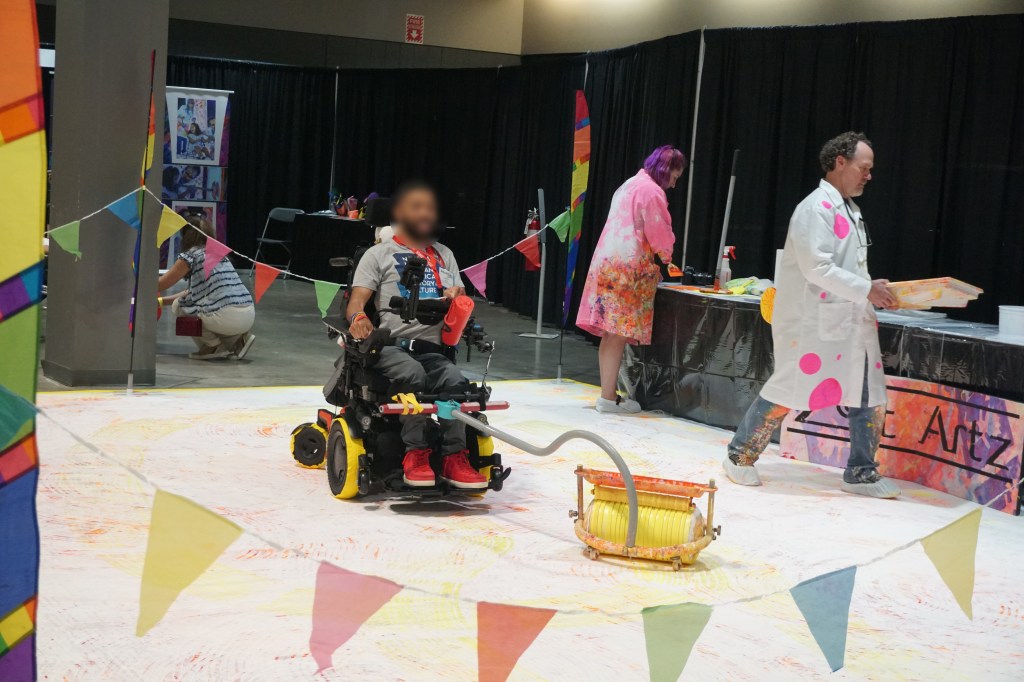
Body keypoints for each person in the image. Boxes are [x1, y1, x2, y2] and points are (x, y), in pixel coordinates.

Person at [723, 131, 901, 498]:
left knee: (869, 392)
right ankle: (739, 455)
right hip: (814, 322)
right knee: (790, 389)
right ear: (840, 162)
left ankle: (861, 471)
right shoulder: (815, 208)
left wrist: (869, 285)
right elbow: (817, 268)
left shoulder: (850, 210)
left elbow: (846, 265)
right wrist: (865, 288)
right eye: (863, 168)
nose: (868, 175)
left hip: (849, 319)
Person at [345, 180, 487, 490]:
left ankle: (453, 457)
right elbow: (357, 301)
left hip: (432, 348)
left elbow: (461, 301)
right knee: (412, 373)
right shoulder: (378, 255)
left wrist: (455, 295)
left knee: (455, 381)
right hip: (391, 346)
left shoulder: (445, 255)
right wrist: (357, 318)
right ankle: (417, 454)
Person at [576, 145, 686, 414]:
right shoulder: (651, 192)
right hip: (626, 268)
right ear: (665, 170)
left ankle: (608, 394)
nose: (673, 184)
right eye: (674, 177)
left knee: (610, 334)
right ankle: (607, 398)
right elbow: (660, 234)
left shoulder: (629, 184)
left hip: (607, 261)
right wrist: (667, 254)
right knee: (616, 334)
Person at [157, 217, 256, 361]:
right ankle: (238, 341)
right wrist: (160, 301)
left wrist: (135, 281)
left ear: (185, 236)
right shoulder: (220, 255)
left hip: (227, 318)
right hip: (248, 315)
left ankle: (212, 346)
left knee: (179, 306)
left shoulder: (190, 256)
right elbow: (192, 292)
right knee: (203, 307)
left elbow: (161, 284)